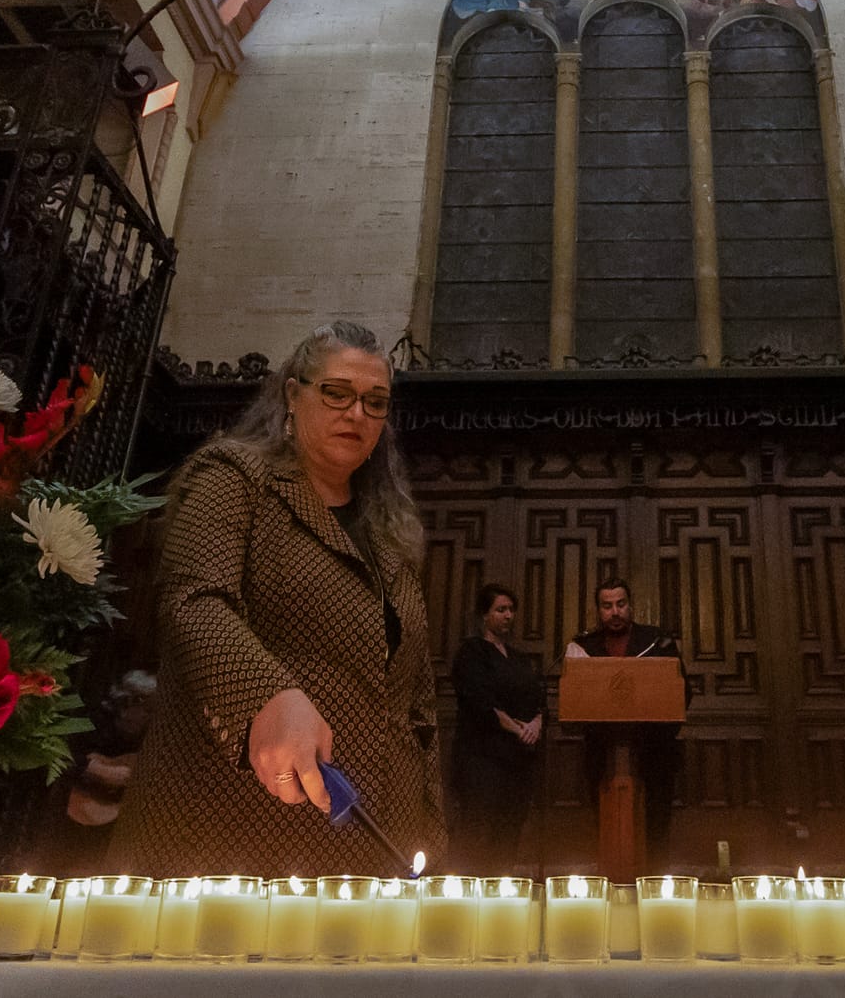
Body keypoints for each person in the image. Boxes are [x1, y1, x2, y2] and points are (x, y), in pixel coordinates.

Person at [111, 322, 443, 876]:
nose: (357, 414)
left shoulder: (389, 532)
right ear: (293, 394)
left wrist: (430, 818)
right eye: (337, 393)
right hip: (234, 830)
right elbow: (195, 602)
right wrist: (267, 694)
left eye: (375, 402)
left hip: (379, 840)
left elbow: (417, 699)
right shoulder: (234, 477)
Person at [564, 578, 686, 862]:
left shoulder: (657, 641)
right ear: (598, 610)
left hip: (652, 750)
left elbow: (681, 690)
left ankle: (654, 885)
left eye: (620, 604)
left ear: (630, 606)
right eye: (607, 606)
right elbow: (577, 698)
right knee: (605, 823)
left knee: (654, 825)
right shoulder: (585, 645)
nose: (615, 612)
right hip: (603, 750)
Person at [448, 582, 545, 870]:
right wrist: (518, 730)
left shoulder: (519, 658)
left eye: (511, 610)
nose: (508, 615)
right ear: (484, 615)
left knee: (509, 830)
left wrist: (536, 724)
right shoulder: (472, 652)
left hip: (517, 762)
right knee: (478, 829)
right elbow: (480, 703)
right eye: (501, 609)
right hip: (482, 759)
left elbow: (539, 700)